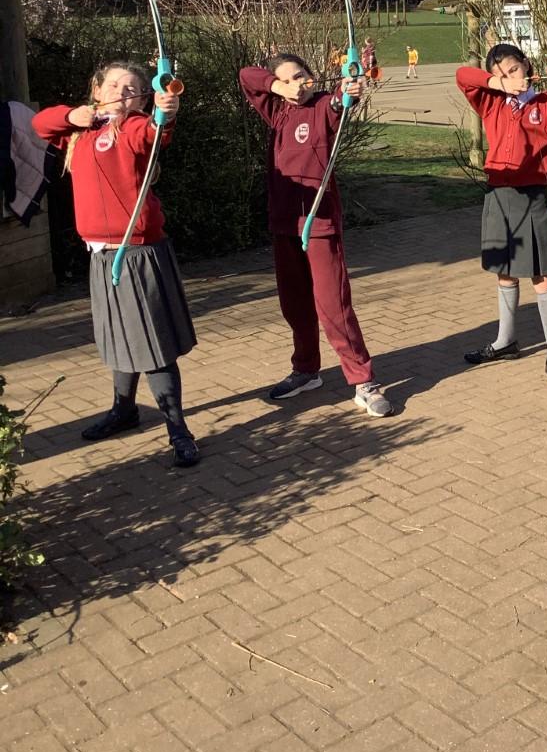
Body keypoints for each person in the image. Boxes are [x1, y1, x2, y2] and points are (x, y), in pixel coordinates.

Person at [32, 62, 200, 466]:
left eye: (131, 88)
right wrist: (74, 115)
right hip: (101, 254)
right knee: (118, 338)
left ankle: (178, 429)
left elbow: (155, 131)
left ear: (142, 99)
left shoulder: (134, 127)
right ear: (96, 90)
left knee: (154, 345)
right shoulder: (79, 132)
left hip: (139, 253)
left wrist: (165, 110)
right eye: (113, 85)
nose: (121, 93)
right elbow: (40, 124)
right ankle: (124, 410)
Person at [239, 53, 391, 415]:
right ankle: (306, 370)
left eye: (301, 76)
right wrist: (279, 87)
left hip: (318, 224)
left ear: (311, 75)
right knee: (295, 305)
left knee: (333, 305)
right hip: (284, 223)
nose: (297, 84)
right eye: (287, 79)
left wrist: (348, 91)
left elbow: (340, 101)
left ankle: (362, 380)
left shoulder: (324, 105)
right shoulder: (277, 111)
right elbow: (246, 76)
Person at [456, 43, 547, 386]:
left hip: (533, 197)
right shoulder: (491, 101)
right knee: (504, 272)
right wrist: (499, 84)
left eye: (513, 69)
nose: (509, 77)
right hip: (499, 195)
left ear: (527, 66)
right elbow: (463, 75)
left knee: (541, 276)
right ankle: (505, 341)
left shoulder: (546, 103)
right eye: (500, 73)